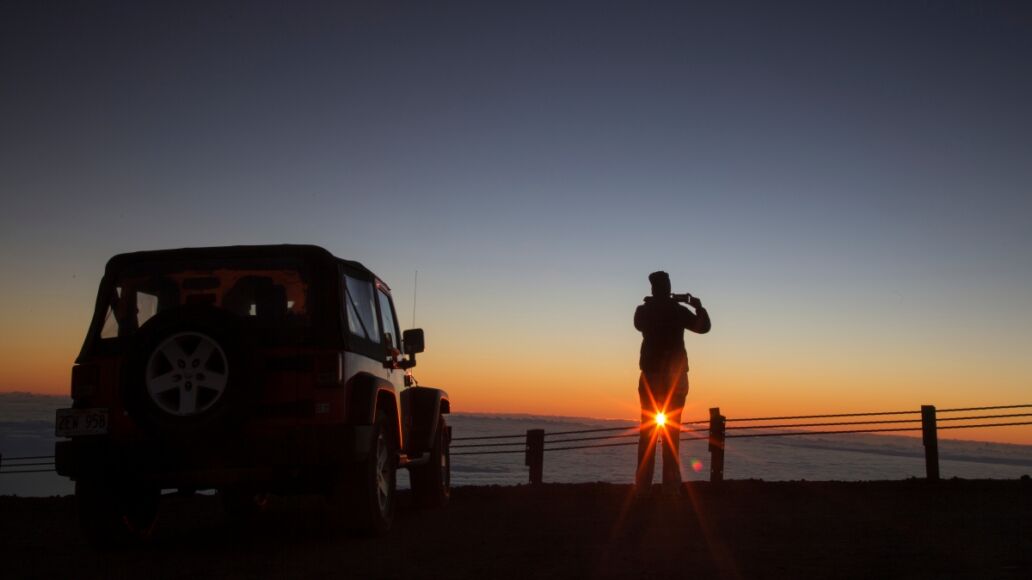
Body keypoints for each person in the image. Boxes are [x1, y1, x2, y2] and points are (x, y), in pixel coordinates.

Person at [634, 270, 711, 496]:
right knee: (672, 432)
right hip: (676, 378)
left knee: (647, 432)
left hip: (650, 377)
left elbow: (639, 324)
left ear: (652, 289)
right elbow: (703, 327)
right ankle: (671, 487)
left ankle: (642, 488)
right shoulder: (678, 311)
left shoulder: (643, 311)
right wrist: (698, 306)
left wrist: (653, 303)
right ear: (668, 288)